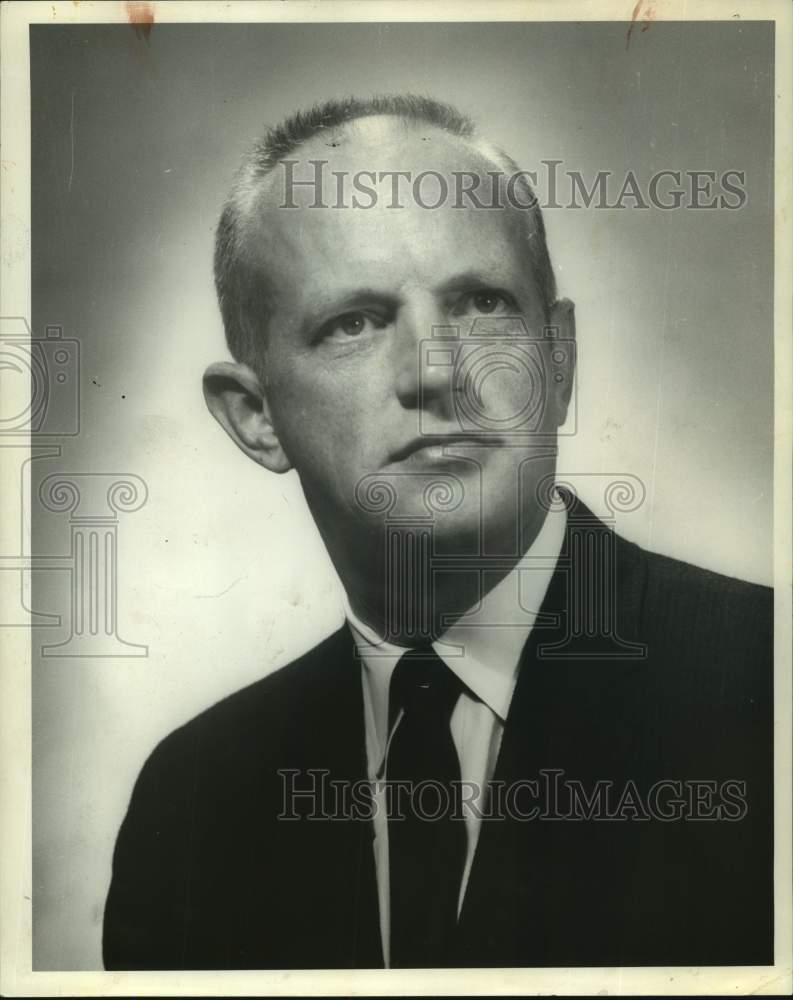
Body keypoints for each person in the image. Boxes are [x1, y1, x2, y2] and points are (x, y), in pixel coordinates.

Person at [103, 95, 773, 970]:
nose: (438, 370)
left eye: (483, 303)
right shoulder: (189, 806)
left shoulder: (767, 686)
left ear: (558, 359)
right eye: (355, 322)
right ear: (255, 416)